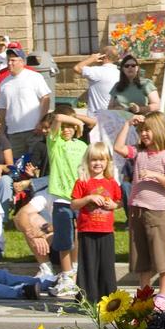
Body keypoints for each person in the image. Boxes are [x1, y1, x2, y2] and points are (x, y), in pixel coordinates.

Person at [115, 111, 165, 308]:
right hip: (137, 210)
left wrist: (155, 176)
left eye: (148, 130)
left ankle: (162, 294)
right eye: (142, 130)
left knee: (161, 254)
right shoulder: (139, 153)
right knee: (141, 255)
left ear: (159, 130)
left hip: (156, 211)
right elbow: (118, 147)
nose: (143, 134)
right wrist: (128, 123)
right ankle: (144, 293)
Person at [41, 107, 94, 299]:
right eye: (64, 127)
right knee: (64, 238)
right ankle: (66, 274)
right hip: (62, 198)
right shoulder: (55, 143)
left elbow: (92, 123)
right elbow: (56, 118)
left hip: (79, 197)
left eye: (70, 127)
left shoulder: (81, 145)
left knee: (80, 234)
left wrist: (77, 122)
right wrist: (76, 121)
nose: (67, 130)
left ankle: (77, 269)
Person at [70, 141, 123, 305]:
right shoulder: (82, 181)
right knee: (88, 265)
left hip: (106, 230)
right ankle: (87, 299)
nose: (98, 163)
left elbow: (119, 203)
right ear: (87, 161)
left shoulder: (112, 182)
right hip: (87, 229)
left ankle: (108, 299)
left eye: (101, 160)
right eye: (94, 160)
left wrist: (113, 205)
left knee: (106, 266)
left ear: (107, 162)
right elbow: (73, 204)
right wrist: (88, 198)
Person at [0, 47, 54, 170]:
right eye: (8, 60)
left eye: (13, 60)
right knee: (16, 166)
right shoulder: (4, 83)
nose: (10, 63)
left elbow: (45, 98)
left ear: (22, 61)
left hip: (33, 130)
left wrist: (41, 122)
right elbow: (2, 109)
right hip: (13, 133)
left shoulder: (34, 77)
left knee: (35, 165)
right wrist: (0, 132)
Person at [74, 50, 120, 123]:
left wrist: (91, 59)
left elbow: (77, 68)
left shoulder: (98, 71)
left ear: (103, 56)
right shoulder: (119, 73)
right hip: (114, 118)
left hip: (96, 119)